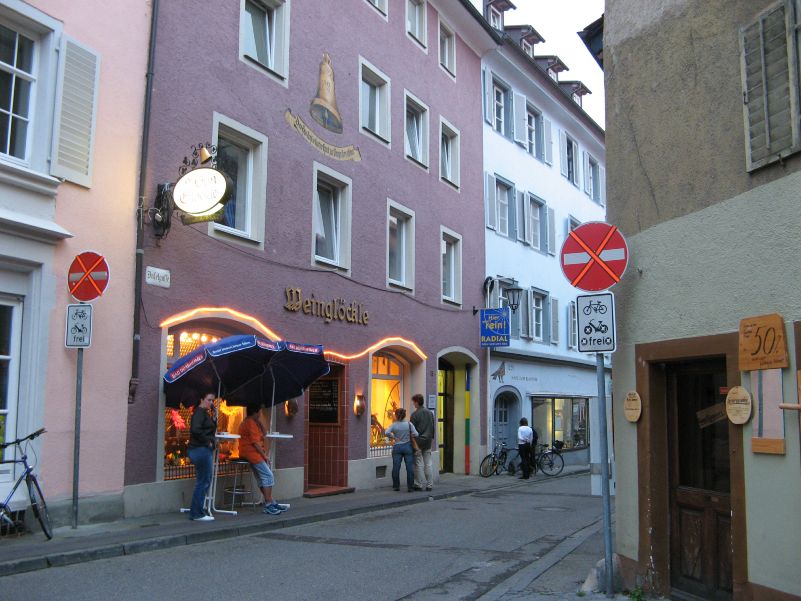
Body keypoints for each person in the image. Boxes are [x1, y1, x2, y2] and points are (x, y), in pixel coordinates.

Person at [238, 405, 290, 515]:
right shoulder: (250, 423)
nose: (261, 413)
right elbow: (255, 443)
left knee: (263, 477)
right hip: (252, 454)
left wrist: (260, 423)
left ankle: (270, 501)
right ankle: (268, 504)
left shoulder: (253, 422)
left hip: (250, 453)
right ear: (255, 412)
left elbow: (264, 434)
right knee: (268, 475)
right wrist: (264, 456)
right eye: (260, 411)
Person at [187, 390, 217, 521]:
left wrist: (214, 417)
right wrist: (208, 442)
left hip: (202, 449)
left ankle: (197, 509)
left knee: (205, 480)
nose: (211, 403)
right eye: (209, 400)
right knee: (203, 481)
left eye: (212, 400)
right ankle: (196, 513)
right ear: (202, 399)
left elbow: (209, 429)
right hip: (200, 450)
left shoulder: (204, 413)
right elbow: (195, 430)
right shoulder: (199, 413)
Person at [385, 408, 419, 492]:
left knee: (396, 467)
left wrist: (394, 437)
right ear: (404, 415)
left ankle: (396, 486)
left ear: (396, 415)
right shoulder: (409, 424)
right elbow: (416, 434)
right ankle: (410, 487)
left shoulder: (394, 425)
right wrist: (410, 434)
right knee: (409, 467)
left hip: (397, 447)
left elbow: (386, 432)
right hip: (407, 446)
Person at [410, 394, 435, 491]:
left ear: (416, 402)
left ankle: (418, 484)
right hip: (428, 441)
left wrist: (413, 443)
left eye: (413, 402)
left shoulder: (414, 415)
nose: (413, 404)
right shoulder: (430, 413)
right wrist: (431, 437)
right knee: (428, 463)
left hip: (418, 442)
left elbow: (412, 430)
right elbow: (432, 427)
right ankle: (429, 485)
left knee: (418, 464)